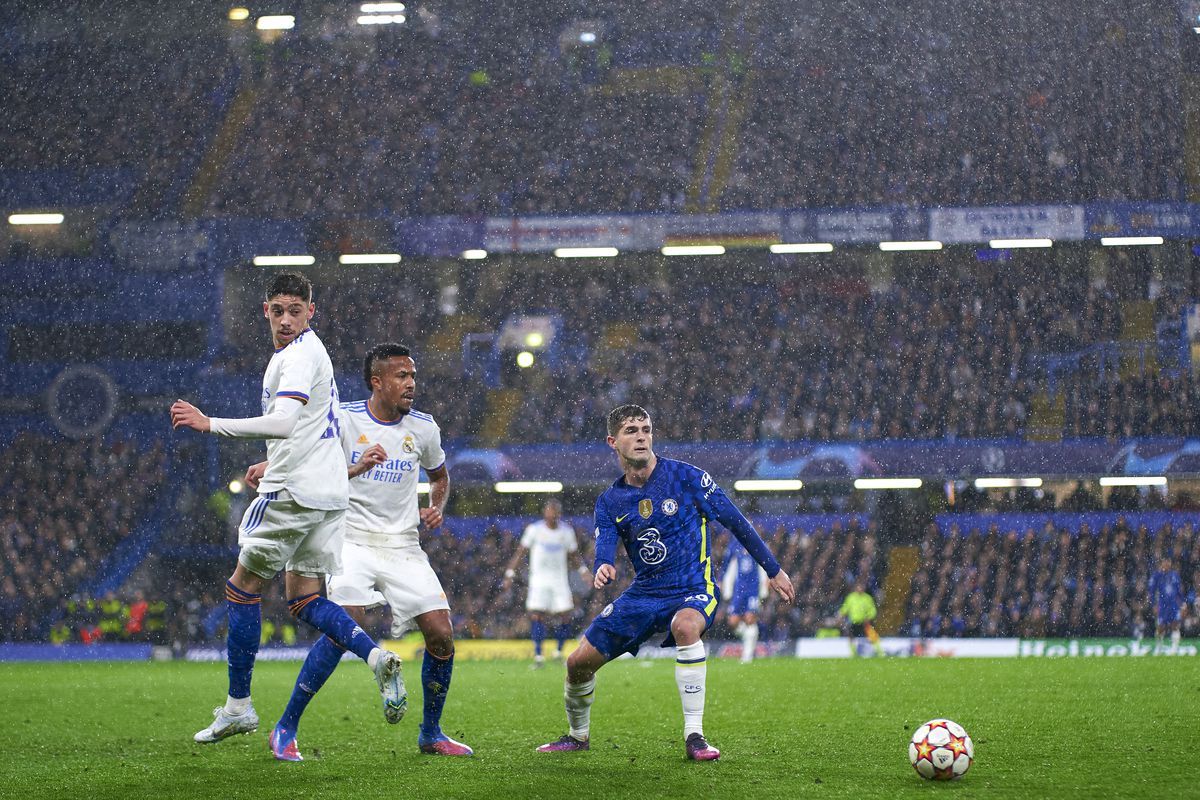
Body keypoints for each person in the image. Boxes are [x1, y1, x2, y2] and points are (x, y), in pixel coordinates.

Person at [170, 271, 405, 750]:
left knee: (241, 590)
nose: (285, 319)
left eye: (294, 310)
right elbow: (327, 427)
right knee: (304, 600)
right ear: (266, 311)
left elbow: (283, 422)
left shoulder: (297, 358)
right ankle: (374, 655)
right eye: (277, 310)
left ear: (310, 312)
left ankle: (238, 707)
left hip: (293, 495)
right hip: (327, 497)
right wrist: (347, 470)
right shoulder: (317, 353)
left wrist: (208, 422)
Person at [246, 342, 471, 760]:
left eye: (413, 375)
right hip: (350, 539)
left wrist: (435, 507)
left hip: (403, 545)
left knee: (441, 634)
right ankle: (285, 727)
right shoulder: (343, 419)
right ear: (377, 381)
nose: (411, 384)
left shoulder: (423, 428)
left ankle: (431, 733)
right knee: (345, 621)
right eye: (401, 376)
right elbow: (300, 448)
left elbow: (440, 476)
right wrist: (270, 466)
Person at [537, 404, 795, 761]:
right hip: (644, 593)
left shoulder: (688, 478)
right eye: (631, 430)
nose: (641, 436)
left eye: (646, 429)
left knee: (686, 626)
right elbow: (606, 542)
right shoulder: (611, 500)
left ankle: (695, 736)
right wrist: (603, 566)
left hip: (693, 585)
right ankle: (577, 735)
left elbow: (737, 522)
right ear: (613, 441)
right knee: (577, 663)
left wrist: (774, 569)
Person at [502, 499, 590, 667]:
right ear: (545, 513)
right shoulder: (534, 530)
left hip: (559, 579)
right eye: (549, 511)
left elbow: (574, 555)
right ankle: (538, 656)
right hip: (539, 579)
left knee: (565, 615)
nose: (552, 514)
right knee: (536, 614)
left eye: (555, 511)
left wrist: (584, 572)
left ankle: (558, 651)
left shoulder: (566, 532)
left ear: (559, 513)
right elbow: (520, 552)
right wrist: (509, 573)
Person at [721, 537, 768, 664]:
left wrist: (764, 590)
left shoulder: (758, 546)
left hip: (753, 590)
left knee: (750, 619)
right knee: (733, 621)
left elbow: (764, 567)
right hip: (738, 590)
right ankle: (749, 637)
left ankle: (747, 656)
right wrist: (727, 589)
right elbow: (728, 569)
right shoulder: (735, 547)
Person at [1148, 557, 1184, 652]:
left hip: (1173, 605)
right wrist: (1153, 605)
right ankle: (1159, 646)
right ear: (1161, 564)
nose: (1167, 565)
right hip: (1162, 605)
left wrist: (1183, 604)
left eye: (1168, 562)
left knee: (1175, 625)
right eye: (1165, 562)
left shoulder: (1175, 575)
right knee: (1161, 627)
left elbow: (1179, 592)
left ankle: (1174, 648)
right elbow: (1151, 592)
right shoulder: (1156, 576)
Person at [838, 580, 883, 657]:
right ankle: (853, 653)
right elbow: (845, 608)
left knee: (872, 636)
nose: (860, 589)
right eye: (858, 587)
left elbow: (872, 610)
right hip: (854, 621)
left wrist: (869, 617)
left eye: (861, 587)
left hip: (864, 622)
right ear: (855, 588)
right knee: (851, 637)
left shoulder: (867, 598)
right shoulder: (851, 598)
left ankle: (879, 651)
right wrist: (841, 615)